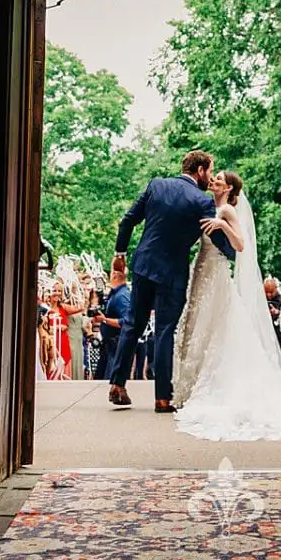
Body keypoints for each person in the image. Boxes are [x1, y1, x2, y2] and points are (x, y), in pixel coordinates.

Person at [171, 171, 281, 442]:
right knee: (197, 326)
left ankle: (213, 385)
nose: (214, 181)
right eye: (214, 177)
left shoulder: (228, 209)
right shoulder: (208, 205)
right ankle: (188, 385)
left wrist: (223, 227)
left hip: (217, 272)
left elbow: (240, 244)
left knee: (216, 325)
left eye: (219, 178)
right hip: (201, 270)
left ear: (228, 187)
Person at [107, 150, 218, 412]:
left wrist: (119, 254)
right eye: (210, 171)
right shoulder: (202, 202)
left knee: (133, 324)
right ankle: (162, 398)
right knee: (164, 331)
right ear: (200, 170)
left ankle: (117, 384)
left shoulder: (156, 185)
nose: (210, 177)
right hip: (173, 273)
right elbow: (217, 241)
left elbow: (128, 220)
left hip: (144, 265)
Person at [96, 261, 133, 381]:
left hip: (116, 344)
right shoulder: (116, 294)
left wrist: (105, 320)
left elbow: (127, 321)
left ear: (115, 276)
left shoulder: (122, 296)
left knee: (111, 378)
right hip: (109, 345)